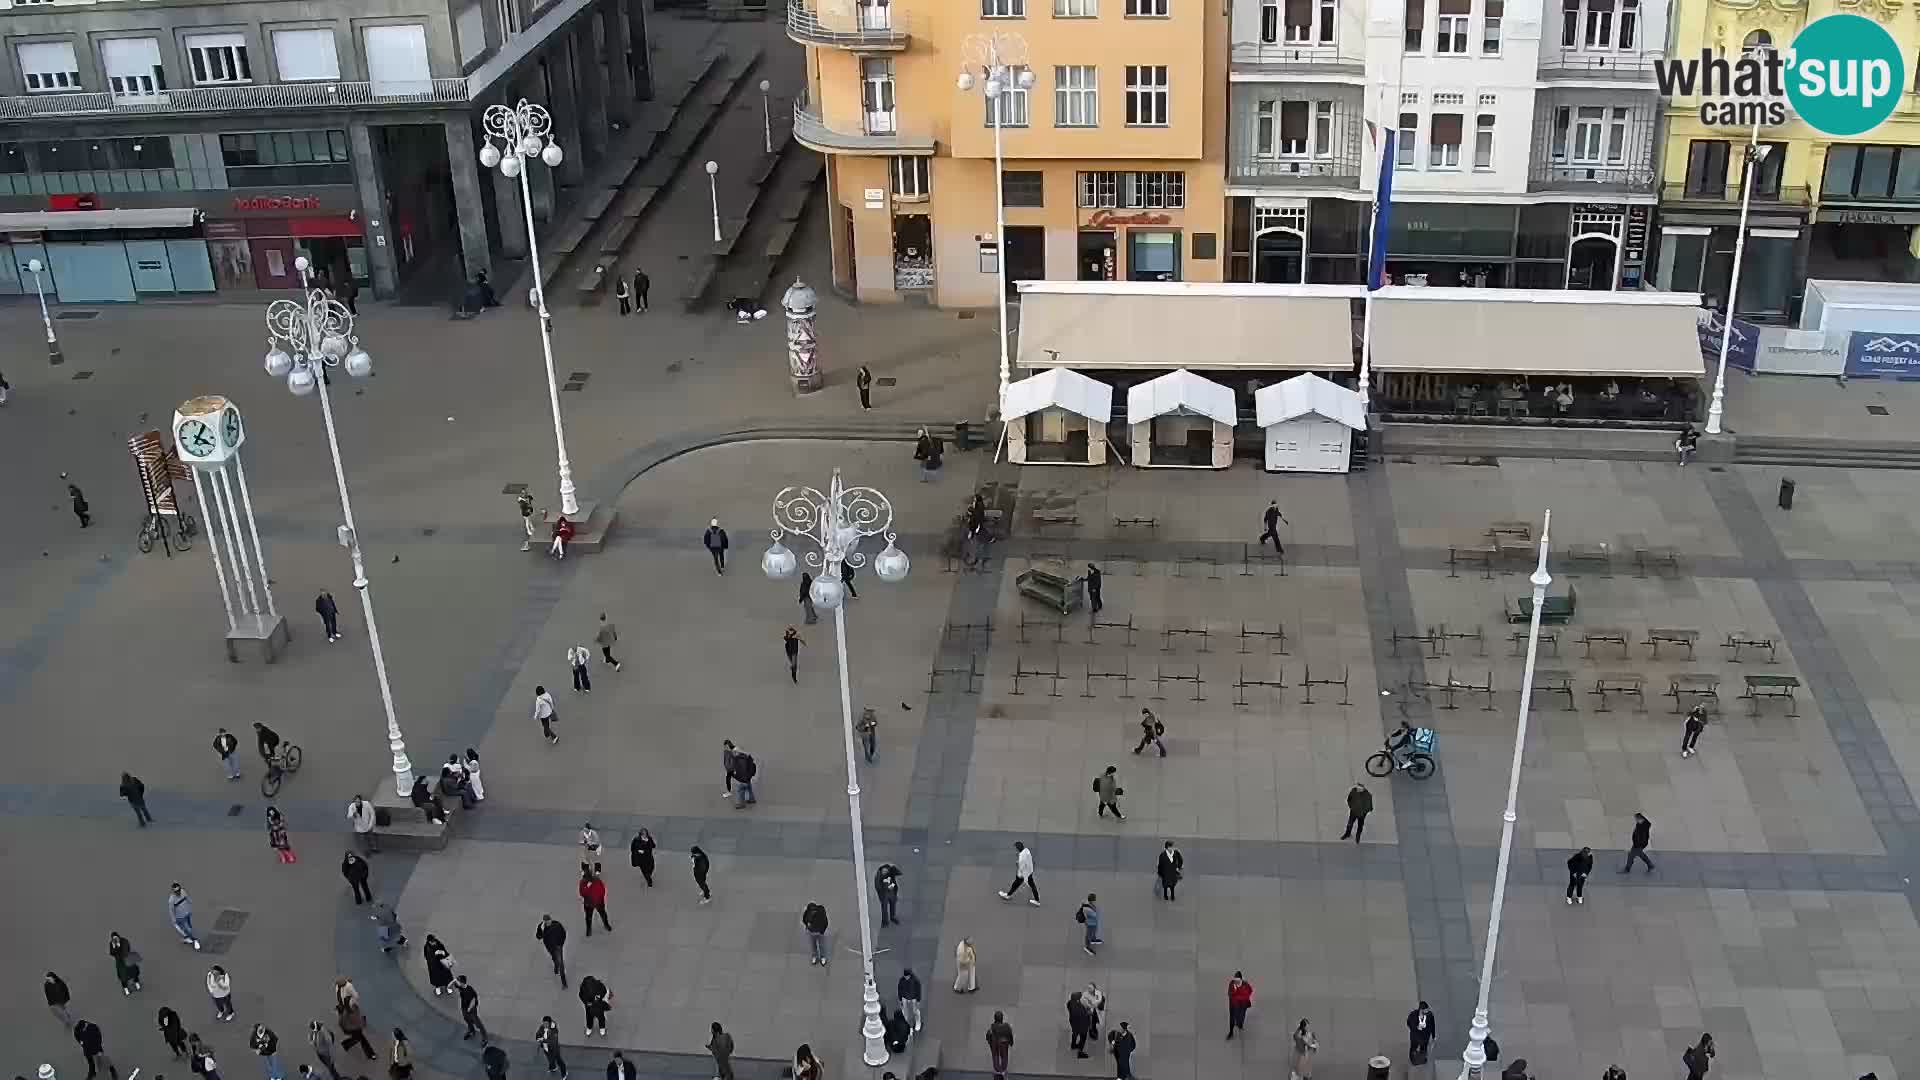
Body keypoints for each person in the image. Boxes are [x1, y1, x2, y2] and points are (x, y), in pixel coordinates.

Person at [336, 981, 375, 1059]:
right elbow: (341, 1023)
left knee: (358, 1039)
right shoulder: (345, 1014)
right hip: (353, 1029)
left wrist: (363, 1020)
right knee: (362, 1039)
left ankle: (346, 1044)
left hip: (355, 1028)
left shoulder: (354, 1008)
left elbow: (359, 1016)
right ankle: (370, 1054)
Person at [536, 914, 568, 987]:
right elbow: (538, 936)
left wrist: (560, 943)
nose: (548, 922)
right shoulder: (541, 927)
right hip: (550, 947)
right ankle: (556, 966)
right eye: (546, 921)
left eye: (549, 920)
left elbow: (563, 934)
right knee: (554, 958)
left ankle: (564, 982)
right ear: (544, 921)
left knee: (561, 962)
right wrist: (541, 931)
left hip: (558, 946)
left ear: (551, 919)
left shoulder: (557, 925)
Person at [580, 867, 612, 935]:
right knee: (588, 917)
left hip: (599, 902)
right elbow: (582, 893)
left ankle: (606, 925)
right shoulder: (583, 883)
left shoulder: (597, 880)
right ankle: (589, 929)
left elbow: (603, 889)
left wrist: (601, 897)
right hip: (589, 904)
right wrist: (587, 886)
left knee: (603, 914)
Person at [170, 882, 202, 949]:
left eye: (179, 890)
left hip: (187, 913)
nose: (178, 892)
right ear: (173, 892)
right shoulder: (171, 900)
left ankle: (187, 937)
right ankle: (195, 940)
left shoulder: (183, 891)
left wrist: (190, 903)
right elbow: (171, 910)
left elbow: (187, 898)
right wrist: (173, 919)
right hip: (180, 917)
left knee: (189, 927)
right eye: (176, 891)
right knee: (186, 928)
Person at [984, 1011, 1013, 1080]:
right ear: (1002, 1018)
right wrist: (1011, 1042)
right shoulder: (1006, 1026)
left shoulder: (993, 1026)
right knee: (1004, 1057)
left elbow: (988, 1036)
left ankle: (999, 1070)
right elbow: (1010, 1035)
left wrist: (990, 1041)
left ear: (995, 1018)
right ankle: (1002, 1070)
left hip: (996, 1045)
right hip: (1003, 1044)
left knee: (996, 1056)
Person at [1226, 972, 1254, 1039]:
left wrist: (1236, 996)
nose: (1236, 982)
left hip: (1242, 1005)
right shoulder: (1232, 983)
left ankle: (1240, 1024)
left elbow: (1249, 992)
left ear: (1241, 979)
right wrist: (1235, 991)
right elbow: (1229, 994)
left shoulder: (1245, 985)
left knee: (1241, 1016)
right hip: (1233, 1004)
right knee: (1232, 1018)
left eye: (1238, 980)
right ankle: (1231, 1032)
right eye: (1235, 980)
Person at [1067, 990, 1094, 1058]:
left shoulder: (1069, 1003)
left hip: (1073, 1023)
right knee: (1083, 1038)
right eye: (1079, 997)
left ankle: (1073, 1045)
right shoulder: (1079, 1008)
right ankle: (1080, 1053)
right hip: (1082, 1025)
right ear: (1077, 999)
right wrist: (1089, 1012)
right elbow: (1087, 1015)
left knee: (1075, 1033)